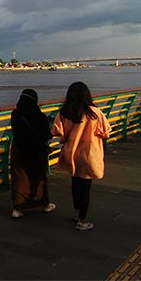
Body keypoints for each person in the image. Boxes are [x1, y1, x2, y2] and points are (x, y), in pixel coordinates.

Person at [51, 82, 112, 231]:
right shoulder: (95, 113)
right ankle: (83, 221)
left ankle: (77, 213)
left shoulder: (64, 112)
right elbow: (106, 132)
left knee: (75, 183)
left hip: (72, 153)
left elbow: (56, 131)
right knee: (85, 187)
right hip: (89, 154)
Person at [9, 89, 55, 218]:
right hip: (37, 149)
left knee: (19, 177)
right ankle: (44, 203)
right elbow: (47, 134)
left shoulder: (15, 114)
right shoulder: (39, 116)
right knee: (39, 176)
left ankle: (18, 208)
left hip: (19, 149)